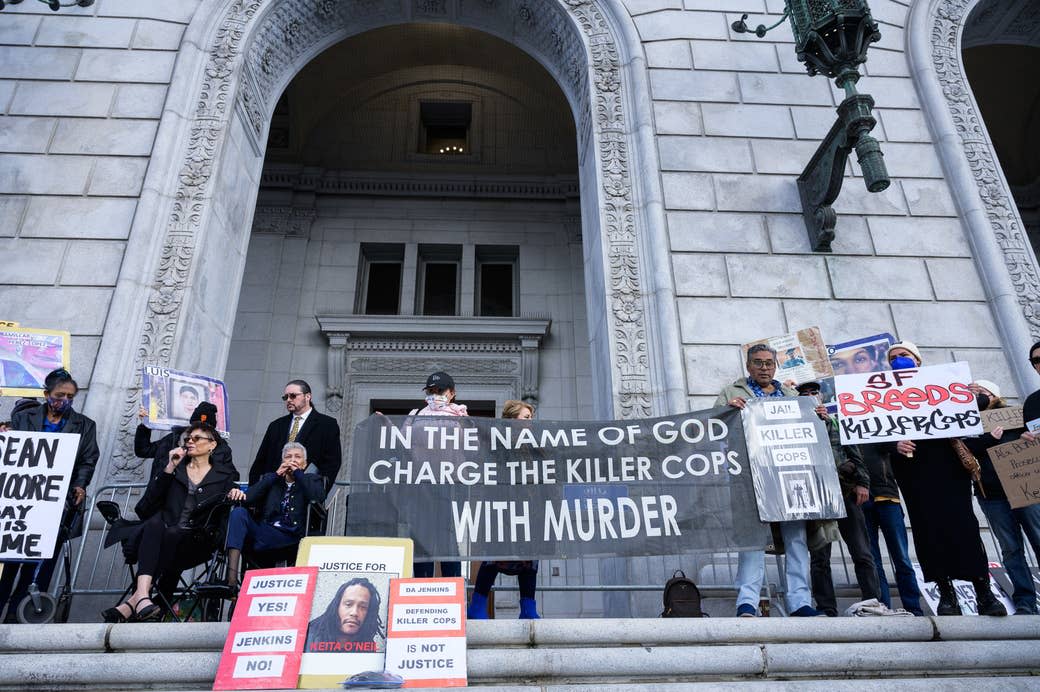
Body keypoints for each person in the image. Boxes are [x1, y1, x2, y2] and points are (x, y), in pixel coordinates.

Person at [886, 341, 1006, 616]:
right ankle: (946, 594)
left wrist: (979, 396)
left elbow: (981, 403)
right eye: (892, 358)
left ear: (917, 360)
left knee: (963, 525)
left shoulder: (942, 384)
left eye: (903, 355)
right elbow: (873, 435)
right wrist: (895, 445)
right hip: (913, 468)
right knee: (928, 530)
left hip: (947, 463)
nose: (898, 361)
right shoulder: (881, 394)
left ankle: (983, 592)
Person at [716, 344, 821, 617]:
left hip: (790, 475)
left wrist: (820, 416)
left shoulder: (791, 394)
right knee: (753, 539)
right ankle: (747, 601)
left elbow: (812, 431)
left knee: (796, 538)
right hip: (751, 476)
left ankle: (800, 602)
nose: (764, 368)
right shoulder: (732, 392)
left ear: (775, 366)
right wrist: (726, 412)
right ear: (748, 366)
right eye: (758, 363)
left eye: (768, 363)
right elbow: (712, 429)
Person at [102, 422, 238, 622]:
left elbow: (226, 511)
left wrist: (236, 492)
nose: (190, 441)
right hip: (164, 535)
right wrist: (169, 467)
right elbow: (146, 507)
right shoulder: (175, 469)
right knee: (156, 523)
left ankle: (134, 601)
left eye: (197, 438)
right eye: (188, 439)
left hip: (197, 541)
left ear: (212, 445)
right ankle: (142, 599)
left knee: (165, 530)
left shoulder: (224, 476)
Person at [0, 371, 98, 623]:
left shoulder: (85, 425)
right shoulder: (22, 417)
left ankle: (20, 614)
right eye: (59, 395)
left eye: (69, 396)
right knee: (11, 560)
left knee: (41, 562)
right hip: (22, 500)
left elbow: (88, 459)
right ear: (46, 395)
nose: (64, 400)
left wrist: (80, 484)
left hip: (56, 502)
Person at [797, 382, 884, 616]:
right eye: (804, 394)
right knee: (820, 555)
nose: (810, 397)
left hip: (845, 493)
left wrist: (863, 484)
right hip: (817, 496)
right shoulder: (796, 425)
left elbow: (855, 456)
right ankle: (826, 607)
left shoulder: (836, 423)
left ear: (821, 397)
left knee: (862, 551)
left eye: (813, 393)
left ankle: (872, 601)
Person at [964, 376, 1040, 615]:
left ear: (994, 395)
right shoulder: (965, 424)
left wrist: (1029, 438)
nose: (973, 395)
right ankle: (1025, 601)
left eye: (978, 390)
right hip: (992, 495)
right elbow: (964, 452)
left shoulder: (1015, 415)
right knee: (1010, 549)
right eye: (969, 392)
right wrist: (988, 439)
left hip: (1024, 488)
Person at [467, 399, 541, 620]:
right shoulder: (496, 442)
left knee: (529, 560)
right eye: (526, 418)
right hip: (502, 508)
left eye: (531, 418)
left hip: (528, 510)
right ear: (511, 419)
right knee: (493, 559)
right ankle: (477, 608)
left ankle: (528, 609)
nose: (530, 422)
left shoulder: (535, 445)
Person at [224, 442, 327, 592]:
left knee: (257, 538)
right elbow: (248, 498)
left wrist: (298, 474)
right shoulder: (271, 479)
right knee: (238, 513)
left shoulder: (311, 480)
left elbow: (318, 497)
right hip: (265, 530)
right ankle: (231, 580)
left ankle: (257, 546)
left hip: (292, 535)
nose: (292, 460)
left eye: (297, 457)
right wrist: (275, 475)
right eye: (288, 457)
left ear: (304, 464)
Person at [410, 371, 465, 579]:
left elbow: (473, 446)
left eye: (440, 391)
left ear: (452, 393)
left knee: (448, 539)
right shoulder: (415, 415)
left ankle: (454, 593)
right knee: (421, 539)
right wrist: (386, 426)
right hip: (421, 484)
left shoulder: (461, 416)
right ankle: (421, 589)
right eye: (431, 391)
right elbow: (401, 444)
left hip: (451, 485)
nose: (435, 395)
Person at [249, 379, 342, 488]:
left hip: (305, 490)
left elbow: (332, 462)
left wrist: (319, 490)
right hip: (273, 490)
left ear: (307, 397)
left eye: (293, 396)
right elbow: (260, 461)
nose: (288, 400)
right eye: (285, 397)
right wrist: (254, 492)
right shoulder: (276, 425)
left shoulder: (327, 424)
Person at [135, 400, 232, 480]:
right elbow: (143, 451)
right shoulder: (173, 439)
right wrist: (145, 425)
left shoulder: (222, 448)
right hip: (162, 498)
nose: (197, 431)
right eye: (195, 426)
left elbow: (232, 475)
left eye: (204, 429)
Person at [305, 577, 384, 650]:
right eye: (348, 604)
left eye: (363, 607)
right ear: (337, 606)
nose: (354, 613)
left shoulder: (367, 645)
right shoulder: (308, 637)